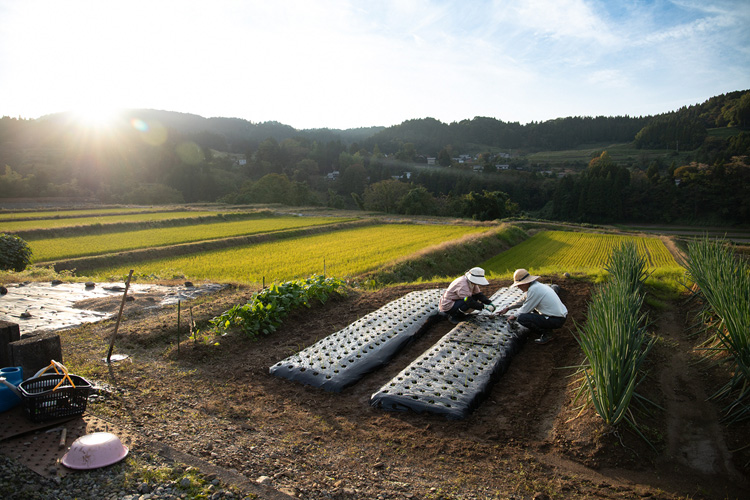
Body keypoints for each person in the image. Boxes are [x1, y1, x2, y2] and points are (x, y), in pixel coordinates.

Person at [497, 268, 567, 345]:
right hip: (559, 316)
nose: (518, 287)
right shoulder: (536, 286)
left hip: (556, 320)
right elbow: (523, 300)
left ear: (524, 283)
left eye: (519, 285)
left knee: (522, 318)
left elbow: (526, 308)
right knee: (531, 311)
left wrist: (513, 316)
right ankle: (547, 330)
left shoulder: (534, 289)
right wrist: (508, 308)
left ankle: (547, 334)